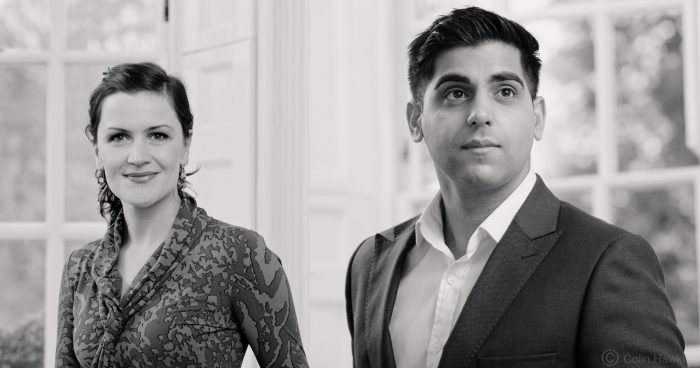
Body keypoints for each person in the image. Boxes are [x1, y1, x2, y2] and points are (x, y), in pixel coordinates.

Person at [345, 7, 686, 368]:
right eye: (456, 93)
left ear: (537, 117)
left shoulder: (608, 260)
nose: (480, 113)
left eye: (505, 91)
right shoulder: (370, 263)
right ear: (416, 121)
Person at [56, 62, 308, 367]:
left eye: (158, 136)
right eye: (119, 137)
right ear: (98, 150)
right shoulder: (79, 267)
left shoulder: (240, 255)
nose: (137, 157)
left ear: (185, 145)